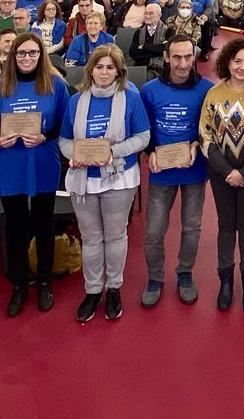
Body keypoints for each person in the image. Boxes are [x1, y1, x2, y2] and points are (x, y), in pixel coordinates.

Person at [60, 44, 150, 322]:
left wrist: (113, 153)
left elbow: (143, 137)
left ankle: (113, 288)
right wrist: (73, 155)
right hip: (83, 180)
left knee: (114, 236)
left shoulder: (131, 99)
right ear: (91, 70)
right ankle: (92, 290)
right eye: (99, 67)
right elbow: (64, 139)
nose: (104, 72)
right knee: (91, 238)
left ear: (119, 71)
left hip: (119, 178)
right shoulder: (76, 101)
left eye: (110, 67)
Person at [0, 31, 70, 317]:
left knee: (43, 223)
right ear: (13, 56)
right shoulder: (1, 87)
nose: (26, 58)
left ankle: (45, 280)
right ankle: (19, 283)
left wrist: (45, 136)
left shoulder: (56, 85)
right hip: (11, 161)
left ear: (41, 55)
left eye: (32, 53)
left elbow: (64, 125)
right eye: (21, 53)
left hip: (43, 159)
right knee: (15, 225)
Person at [140, 35, 213, 308]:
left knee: (192, 227)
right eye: (177, 57)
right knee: (154, 232)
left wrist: (197, 143)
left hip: (195, 170)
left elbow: (210, 129)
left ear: (194, 57)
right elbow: (143, 128)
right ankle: (155, 277)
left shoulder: (208, 89)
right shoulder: (149, 90)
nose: (183, 63)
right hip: (162, 172)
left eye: (188, 57)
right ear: (167, 57)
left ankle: (185, 272)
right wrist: (150, 152)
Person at [199, 39, 244, 312]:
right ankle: (225, 280)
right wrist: (228, 172)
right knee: (226, 224)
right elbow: (205, 136)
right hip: (221, 173)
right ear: (227, 61)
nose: (242, 67)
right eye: (237, 61)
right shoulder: (213, 95)